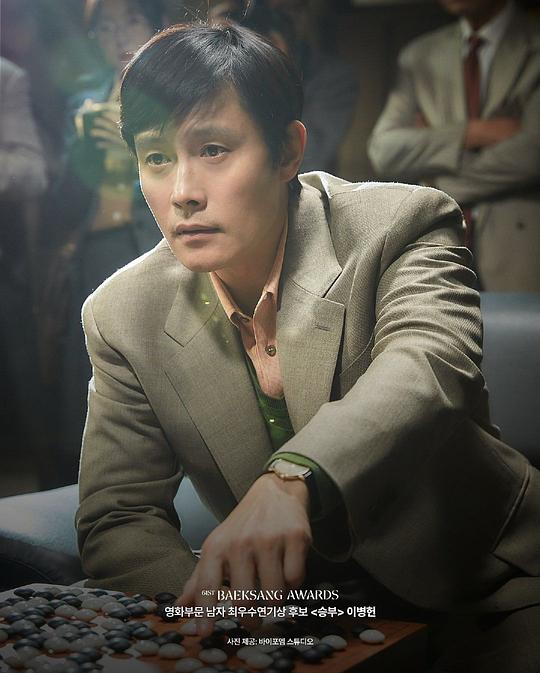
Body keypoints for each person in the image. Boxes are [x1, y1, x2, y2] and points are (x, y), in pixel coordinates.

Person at [77, 23, 540, 673]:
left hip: (485, 596)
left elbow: (429, 364)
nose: (182, 191)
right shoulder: (121, 313)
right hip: (298, 623)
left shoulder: (399, 223)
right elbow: (119, 513)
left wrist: (294, 475)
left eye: (213, 149)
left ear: (287, 151)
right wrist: (211, 619)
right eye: (156, 158)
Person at [45, 0, 165, 483]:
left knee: (152, 380)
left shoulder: (173, 97)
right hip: (93, 250)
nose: (119, 37)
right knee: (84, 382)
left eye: (131, 20)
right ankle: (80, 485)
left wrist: (135, 151)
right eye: (107, 28)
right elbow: (62, 208)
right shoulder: (87, 103)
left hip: (152, 245)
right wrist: (83, 156)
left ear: (155, 23)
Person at [368, 0, 540, 292]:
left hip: (522, 252)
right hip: (438, 254)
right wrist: (472, 133)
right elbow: (383, 150)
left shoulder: (533, 44)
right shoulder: (419, 56)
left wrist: (433, 182)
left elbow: (532, 154)